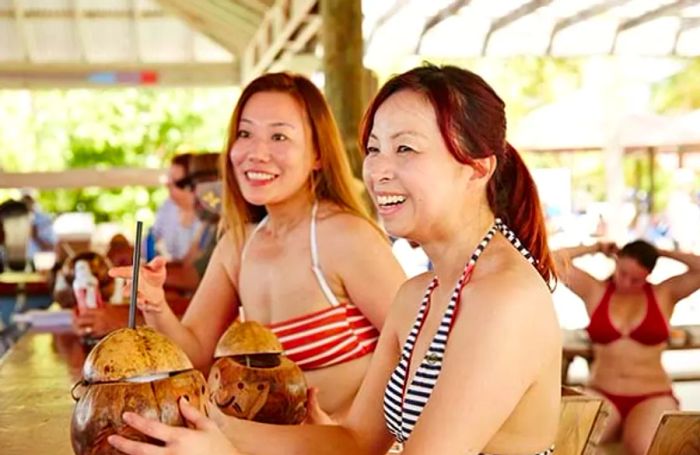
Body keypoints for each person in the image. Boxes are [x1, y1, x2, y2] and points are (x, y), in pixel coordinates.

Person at [109, 65, 561, 455]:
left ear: (477, 166)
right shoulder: (417, 296)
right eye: (375, 148)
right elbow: (354, 442)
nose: (380, 168)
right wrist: (204, 425)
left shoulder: (505, 299)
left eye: (405, 148)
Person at [110, 72, 406, 418]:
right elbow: (195, 355)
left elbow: (425, 350)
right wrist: (155, 305)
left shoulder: (345, 237)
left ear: (317, 155)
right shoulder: (237, 246)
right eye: (245, 133)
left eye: (279, 136)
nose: (256, 152)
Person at [553, 240, 700, 454]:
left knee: (643, 448)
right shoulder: (595, 290)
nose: (626, 283)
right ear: (616, 262)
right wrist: (596, 248)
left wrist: (661, 251)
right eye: (622, 273)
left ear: (648, 275)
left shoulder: (664, 293)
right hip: (603, 392)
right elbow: (553, 259)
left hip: (652, 395)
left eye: (636, 279)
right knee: (567, 443)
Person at [151, 153, 201, 261]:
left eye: (174, 181)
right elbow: (151, 239)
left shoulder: (209, 213)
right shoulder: (168, 207)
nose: (167, 185)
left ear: (190, 185)